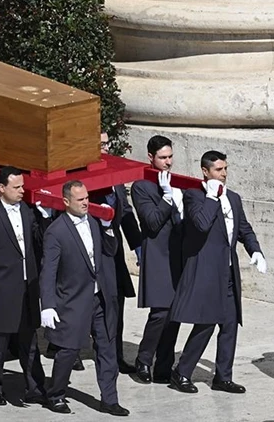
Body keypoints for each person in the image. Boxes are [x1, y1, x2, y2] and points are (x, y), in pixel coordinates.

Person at [169, 151, 267, 394]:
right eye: (218, 170)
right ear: (205, 171)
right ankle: (182, 372)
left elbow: (244, 228)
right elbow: (201, 224)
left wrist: (255, 250)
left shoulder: (233, 197)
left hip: (228, 271)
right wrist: (212, 197)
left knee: (230, 325)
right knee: (206, 323)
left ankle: (223, 377)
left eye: (225, 169)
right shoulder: (194, 196)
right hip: (206, 271)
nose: (223, 174)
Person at [40, 180, 130, 417]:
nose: (86, 203)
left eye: (87, 198)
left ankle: (110, 399)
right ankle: (56, 395)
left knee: (107, 348)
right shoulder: (56, 231)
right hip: (72, 300)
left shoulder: (93, 221)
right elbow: (48, 271)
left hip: (99, 298)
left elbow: (109, 250)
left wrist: (108, 228)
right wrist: (47, 305)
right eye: (80, 200)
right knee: (68, 351)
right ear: (66, 201)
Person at [0, 166, 47, 406]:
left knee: (30, 341)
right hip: (3, 289)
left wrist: (44, 219)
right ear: (2, 188)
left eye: (22, 186)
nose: (22, 191)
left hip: (27, 287)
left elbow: (37, 243)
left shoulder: (26, 211)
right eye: (16, 187)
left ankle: (35, 386)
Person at [130, 135, 183, 384]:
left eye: (170, 157)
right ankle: (143, 359)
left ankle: (164, 365)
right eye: (163, 157)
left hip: (177, 254)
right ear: (151, 157)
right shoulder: (141, 186)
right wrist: (166, 197)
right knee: (160, 311)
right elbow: (151, 222)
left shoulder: (176, 182)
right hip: (157, 254)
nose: (168, 162)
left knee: (175, 313)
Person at [89, 132, 142, 374]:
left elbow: (126, 213)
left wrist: (138, 247)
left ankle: (116, 355)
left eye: (107, 143)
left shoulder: (116, 178)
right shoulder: (82, 178)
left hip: (114, 251)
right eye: (100, 144)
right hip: (90, 252)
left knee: (116, 303)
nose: (106, 148)